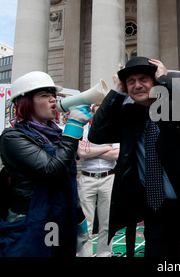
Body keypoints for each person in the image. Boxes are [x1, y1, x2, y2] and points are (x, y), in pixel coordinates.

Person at [88, 57, 180, 258]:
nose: (137, 85)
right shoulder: (129, 116)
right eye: (131, 81)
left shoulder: (177, 106)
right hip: (157, 210)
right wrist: (116, 90)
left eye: (143, 79)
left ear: (155, 81)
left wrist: (167, 80)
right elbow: (96, 134)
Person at [0, 71, 92, 257]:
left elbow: (67, 182)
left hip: (60, 218)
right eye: (44, 96)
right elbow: (53, 170)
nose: (53, 100)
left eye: (53, 95)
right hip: (30, 225)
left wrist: (79, 218)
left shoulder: (56, 135)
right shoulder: (12, 138)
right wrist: (73, 128)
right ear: (25, 103)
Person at [77, 104, 119, 257]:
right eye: (97, 112)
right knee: (85, 224)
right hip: (87, 178)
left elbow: (117, 155)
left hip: (108, 178)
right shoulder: (83, 130)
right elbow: (81, 152)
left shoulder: (113, 129)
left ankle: (104, 255)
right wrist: (106, 148)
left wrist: (91, 151)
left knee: (107, 223)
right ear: (92, 113)